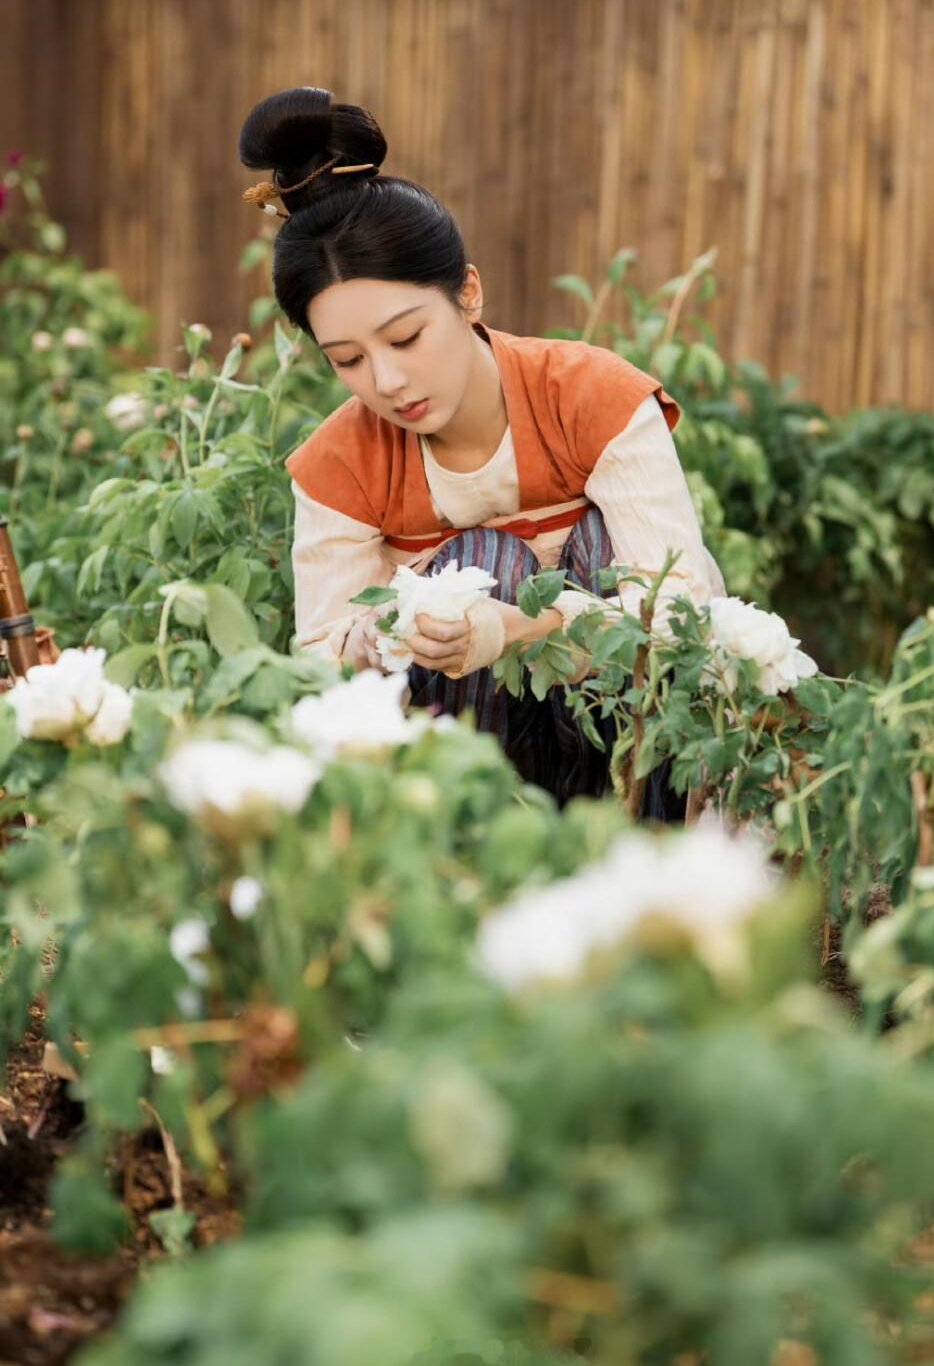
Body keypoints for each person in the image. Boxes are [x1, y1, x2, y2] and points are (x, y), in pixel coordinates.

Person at [238, 87, 725, 819]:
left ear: (468, 293)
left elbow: (684, 608)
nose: (388, 381)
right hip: (465, 765)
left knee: (563, 557)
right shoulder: (339, 462)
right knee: (483, 562)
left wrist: (517, 629)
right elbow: (319, 662)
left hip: (624, 750)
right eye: (348, 359)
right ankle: (477, 874)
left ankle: (645, 853)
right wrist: (387, 632)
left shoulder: (588, 396)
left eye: (405, 338)